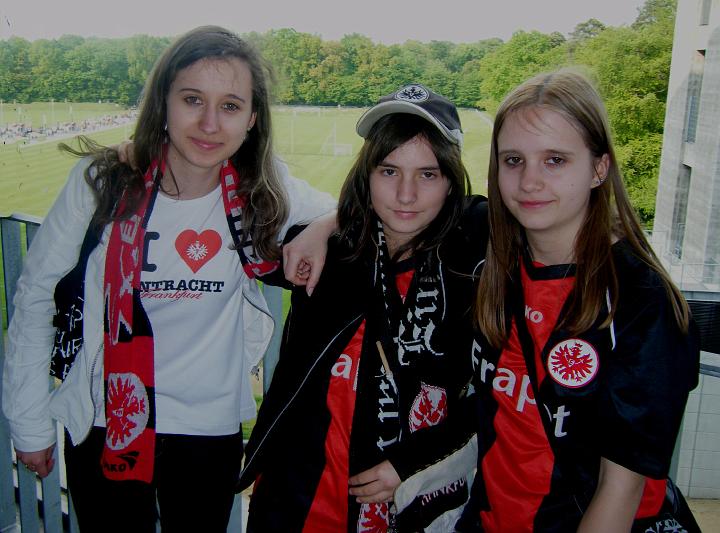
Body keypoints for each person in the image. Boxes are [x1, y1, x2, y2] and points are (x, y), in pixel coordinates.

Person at [2, 25, 334, 532]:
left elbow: (360, 210)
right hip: (104, 419)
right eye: (192, 99)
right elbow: (35, 299)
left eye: (230, 106)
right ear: (163, 101)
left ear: (252, 119)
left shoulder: (264, 187)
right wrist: (29, 423)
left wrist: (324, 227)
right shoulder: (101, 182)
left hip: (207, 429)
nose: (209, 123)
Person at [238, 84, 489, 532]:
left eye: (428, 174)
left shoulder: (474, 262)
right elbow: (233, 209)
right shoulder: (331, 253)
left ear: (451, 180)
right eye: (389, 170)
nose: (406, 194)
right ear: (366, 174)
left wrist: (411, 463)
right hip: (295, 497)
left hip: (410, 501)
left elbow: (494, 395)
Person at [467, 68, 700, 531]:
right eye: (513, 160)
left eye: (555, 160)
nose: (529, 182)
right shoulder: (489, 249)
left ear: (598, 169)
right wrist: (323, 228)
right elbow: (405, 209)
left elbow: (621, 491)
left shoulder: (642, 302)